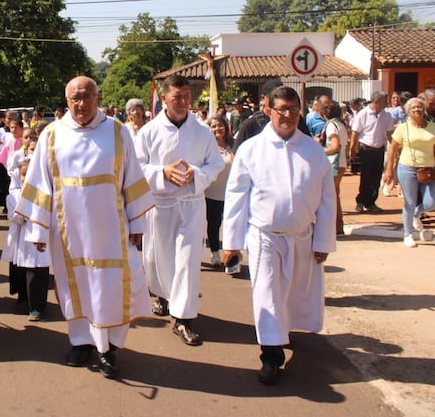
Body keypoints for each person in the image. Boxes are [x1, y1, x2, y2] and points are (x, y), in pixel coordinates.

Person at [16, 75, 154, 379]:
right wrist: (38, 231)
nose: (81, 104)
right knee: (73, 285)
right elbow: (40, 183)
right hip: (67, 232)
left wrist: (138, 222)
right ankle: (80, 342)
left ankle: (108, 348)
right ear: (66, 101)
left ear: (97, 97)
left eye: (87, 97)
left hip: (111, 232)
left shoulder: (117, 132)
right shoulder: (52, 134)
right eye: (75, 98)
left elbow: (132, 178)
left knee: (108, 288)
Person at [223, 86, 336, 385]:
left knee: (293, 295)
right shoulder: (251, 149)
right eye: (282, 109)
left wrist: (323, 241)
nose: (287, 115)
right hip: (265, 237)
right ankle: (271, 356)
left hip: (302, 237)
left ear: (300, 112)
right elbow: (236, 197)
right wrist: (231, 244)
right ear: (269, 111)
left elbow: (327, 199)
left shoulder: (313, 151)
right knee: (268, 295)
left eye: (293, 109)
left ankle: (283, 334)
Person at [134, 76, 224, 346]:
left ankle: (183, 319)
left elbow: (215, 165)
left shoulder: (202, 132)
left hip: (191, 205)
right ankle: (162, 295)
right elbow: (136, 168)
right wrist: (163, 172)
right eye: (178, 97)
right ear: (164, 99)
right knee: (159, 260)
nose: (184, 102)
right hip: (160, 206)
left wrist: (195, 174)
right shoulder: (149, 132)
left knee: (187, 261)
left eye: (187, 96)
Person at [382, 97, 435, 248]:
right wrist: (389, 170)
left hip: (429, 169)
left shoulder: (432, 126)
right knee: (409, 202)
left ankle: (416, 214)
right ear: (408, 111)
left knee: (432, 201)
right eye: (413, 108)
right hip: (408, 168)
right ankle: (408, 234)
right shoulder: (402, 128)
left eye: (419, 107)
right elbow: (392, 149)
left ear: (423, 109)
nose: (417, 110)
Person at [3, 158, 51, 321]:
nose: (25, 178)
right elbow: (14, 216)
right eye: (23, 175)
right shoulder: (14, 195)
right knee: (21, 270)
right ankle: (23, 298)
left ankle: (37, 307)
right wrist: (23, 215)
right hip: (21, 238)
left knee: (37, 272)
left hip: (39, 238)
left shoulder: (45, 194)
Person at [349, 91, 395, 212]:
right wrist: (352, 149)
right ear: (376, 101)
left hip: (379, 150)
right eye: (385, 101)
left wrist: (395, 148)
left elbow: (390, 134)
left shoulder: (387, 116)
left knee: (376, 178)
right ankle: (360, 201)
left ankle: (371, 202)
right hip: (366, 150)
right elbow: (355, 133)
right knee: (366, 178)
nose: (387, 103)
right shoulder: (363, 114)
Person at [204, 114, 235, 269]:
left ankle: (231, 257)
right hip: (212, 193)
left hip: (231, 193)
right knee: (214, 223)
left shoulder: (234, 145)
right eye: (213, 126)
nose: (217, 129)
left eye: (220, 125)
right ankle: (215, 252)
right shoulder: (206, 146)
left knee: (230, 225)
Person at [320, 100, 349, 236]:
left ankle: (331, 226)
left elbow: (334, 146)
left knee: (328, 196)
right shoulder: (341, 124)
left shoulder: (331, 126)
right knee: (334, 195)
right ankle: (338, 225)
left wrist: (319, 151)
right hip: (341, 163)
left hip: (333, 164)